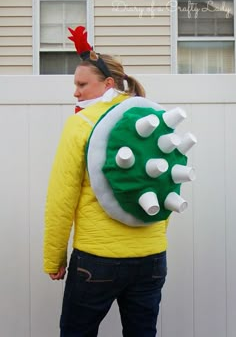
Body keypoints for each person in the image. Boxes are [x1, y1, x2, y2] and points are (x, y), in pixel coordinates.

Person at [44, 26, 168, 337]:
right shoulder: (151, 118)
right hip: (152, 257)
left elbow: (62, 198)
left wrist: (53, 256)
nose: (76, 92)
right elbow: (163, 187)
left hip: (97, 260)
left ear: (108, 83)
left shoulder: (81, 123)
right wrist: (153, 237)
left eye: (82, 84)